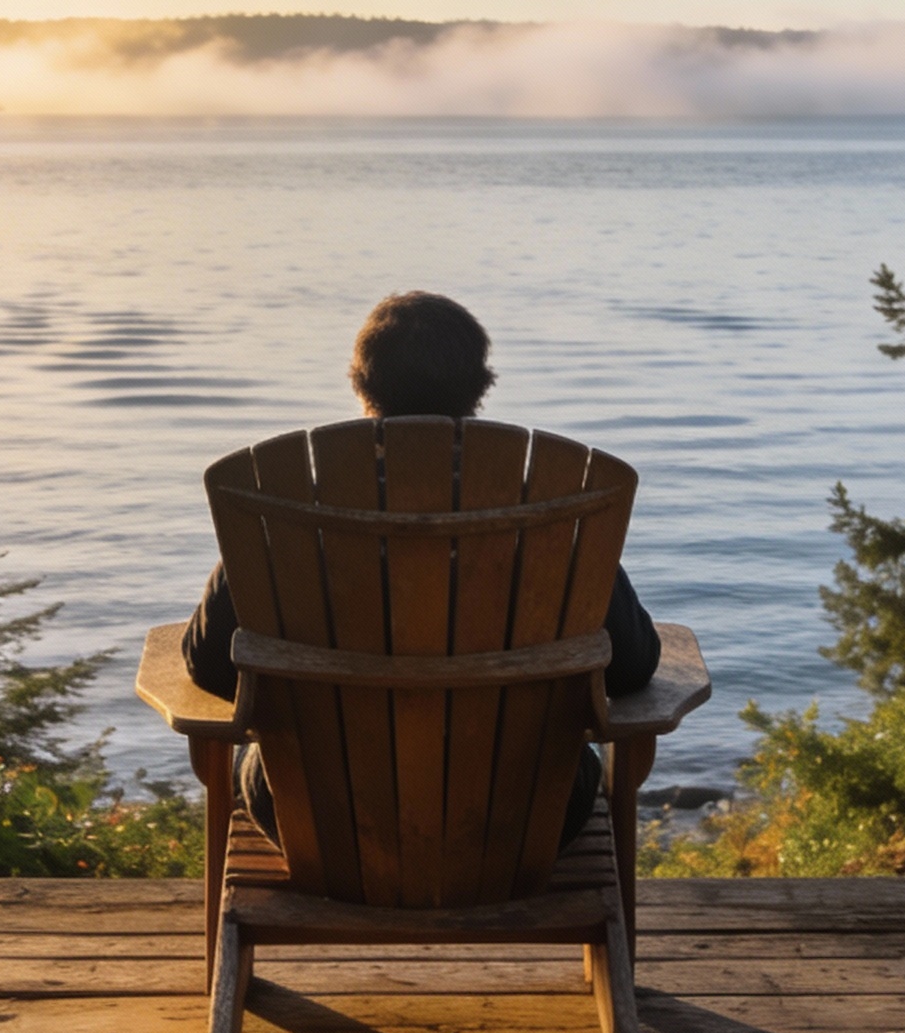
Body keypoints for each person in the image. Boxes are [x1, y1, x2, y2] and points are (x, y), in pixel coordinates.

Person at [181, 290, 661, 849]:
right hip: (525, 821)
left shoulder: (286, 509)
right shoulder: (549, 512)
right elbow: (633, 669)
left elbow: (210, 669)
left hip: (318, 821)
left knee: (258, 756)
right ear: (481, 388)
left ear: (360, 386)